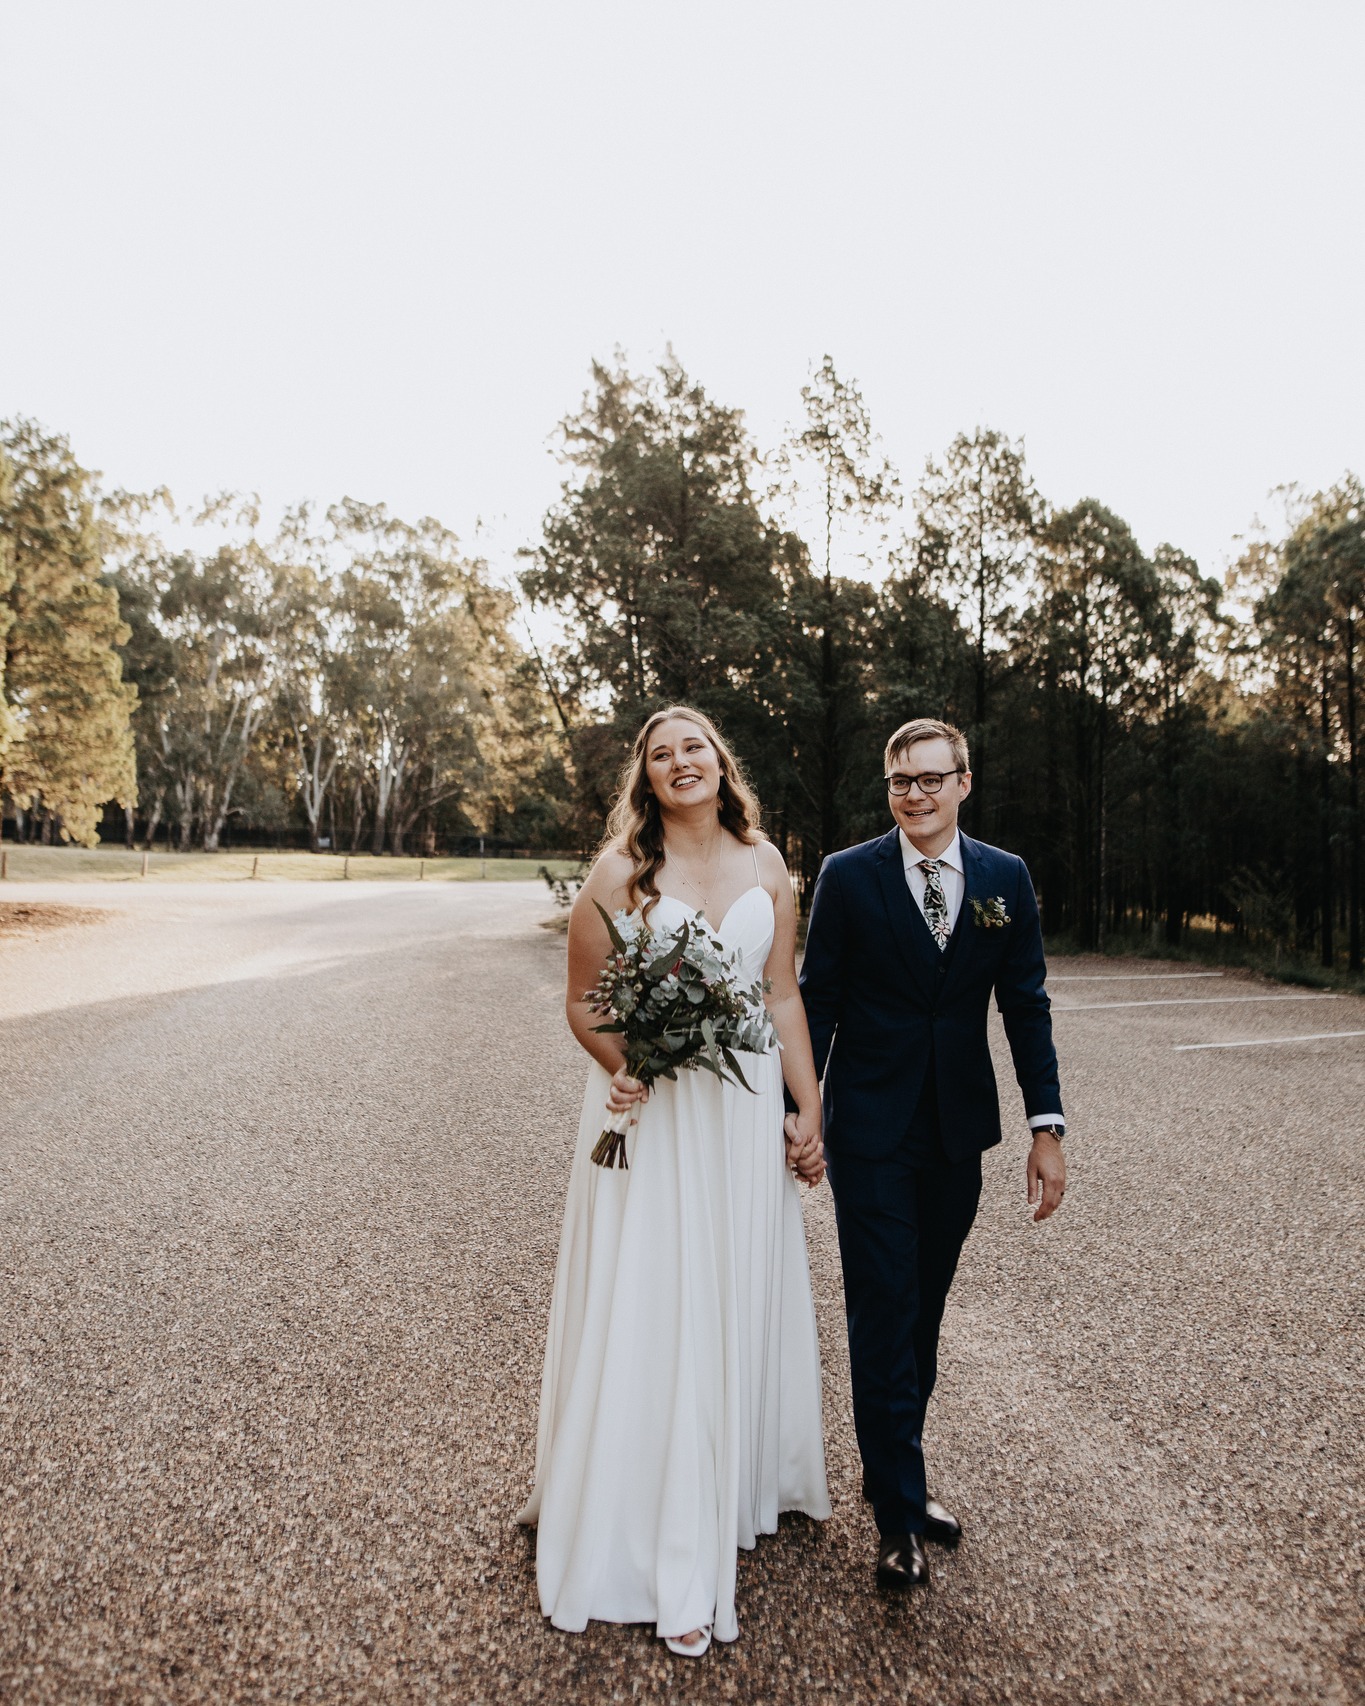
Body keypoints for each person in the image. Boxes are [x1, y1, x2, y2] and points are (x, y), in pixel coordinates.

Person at [519, 705, 830, 1657]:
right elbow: (582, 998)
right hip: (652, 1117)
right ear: (646, 778)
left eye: (693, 747)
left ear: (718, 763)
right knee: (658, 1303)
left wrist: (808, 1110)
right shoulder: (619, 872)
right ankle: (659, 1546)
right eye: (662, 755)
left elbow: (780, 993)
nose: (680, 763)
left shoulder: (767, 862)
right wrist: (621, 1060)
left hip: (737, 1123)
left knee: (727, 1294)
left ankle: (733, 1484)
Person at [788, 717, 1066, 1590]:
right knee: (882, 1309)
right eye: (899, 780)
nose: (914, 793)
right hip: (868, 1132)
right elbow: (815, 1001)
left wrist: (1044, 1125)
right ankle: (899, 1514)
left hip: (956, 1134)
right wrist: (799, 1112)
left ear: (963, 783)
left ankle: (889, 1470)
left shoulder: (1002, 879)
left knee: (922, 1317)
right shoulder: (846, 876)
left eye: (931, 778)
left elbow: (1025, 1002)